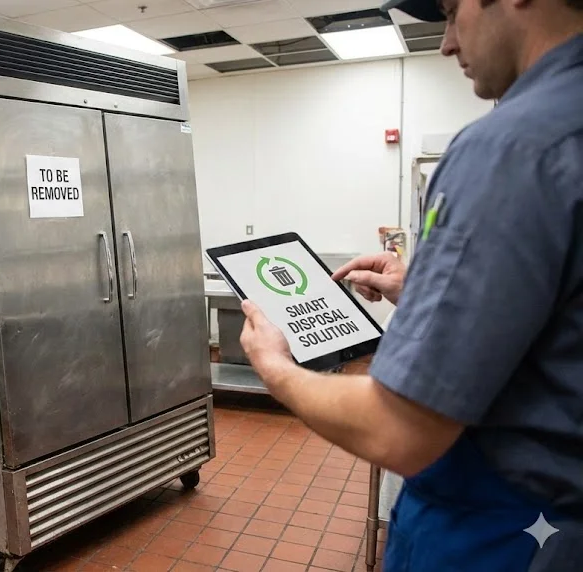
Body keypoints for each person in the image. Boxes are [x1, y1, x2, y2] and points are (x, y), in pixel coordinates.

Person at [239, 0, 583, 570]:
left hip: (505, 538)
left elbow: (399, 428)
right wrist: (426, 289)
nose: (447, 42)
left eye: (452, 11)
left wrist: (277, 367)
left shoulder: (510, 147)